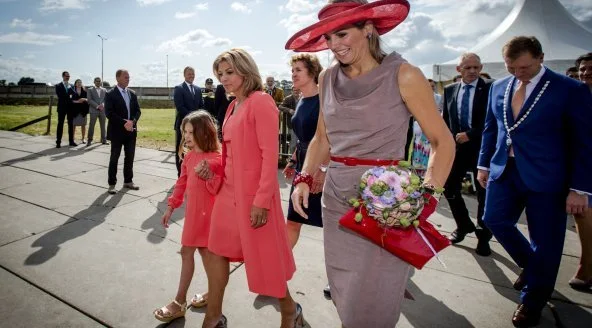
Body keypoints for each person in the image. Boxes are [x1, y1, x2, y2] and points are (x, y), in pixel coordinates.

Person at [286, 1, 455, 327]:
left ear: (368, 29)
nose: (335, 45)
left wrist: (426, 198)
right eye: (329, 38)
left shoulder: (404, 74)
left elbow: (442, 141)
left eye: (342, 34)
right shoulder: (326, 78)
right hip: (336, 199)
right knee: (345, 293)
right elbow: (322, 139)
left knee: (373, 301)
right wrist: (305, 176)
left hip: (385, 203)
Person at [477, 36, 592, 327]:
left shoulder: (570, 89)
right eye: (512, 67)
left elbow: (584, 142)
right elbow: (492, 129)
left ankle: (533, 301)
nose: (518, 73)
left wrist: (580, 188)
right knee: (494, 219)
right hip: (504, 171)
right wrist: (483, 165)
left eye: (524, 67)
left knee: (547, 241)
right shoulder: (498, 86)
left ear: (541, 57)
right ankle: (534, 267)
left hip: (549, 177)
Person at [195, 48, 301, 328]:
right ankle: (213, 316)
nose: (224, 79)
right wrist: (213, 169)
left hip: (254, 197)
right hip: (227, 193)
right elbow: (229, 154)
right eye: (220, 74)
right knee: (216, 251)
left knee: (265, 260)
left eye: (229, 72)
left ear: (246, 70)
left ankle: (290, 310)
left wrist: (262, 201)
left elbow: (270, 156)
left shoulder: (261, 101)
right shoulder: (231, 106)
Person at [153, 110, 221, 323]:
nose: (187, 136)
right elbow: (181, 183)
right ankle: (205, 295)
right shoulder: (189, 156)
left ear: (204, 132)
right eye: (185, 132)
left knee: (201, 255)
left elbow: (219, 187)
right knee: (194, 253)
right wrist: (171, 207)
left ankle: (180, 301)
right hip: (193, 214)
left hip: (209, 216)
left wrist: (210, 175)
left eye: (191, 132)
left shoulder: (217, 159)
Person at [281, 53, 330, 297]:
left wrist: (322, 170)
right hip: (302, 165)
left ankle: (339, 277)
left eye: (298, 70)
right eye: (292, 71)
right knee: (292, 220)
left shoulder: (325, 100)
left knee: (334, 229)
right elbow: (302, 137)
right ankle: (280, 270)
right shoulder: (301, 99)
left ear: (313, 72)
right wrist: (292, 160)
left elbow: (330, 138)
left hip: (322, 168)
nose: (293, 74)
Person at [442, 53, 493, 256]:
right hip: (457, 150)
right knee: (449, 187)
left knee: (483, 193)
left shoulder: (491, 87)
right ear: (458, 70)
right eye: (468, 68)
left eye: (476, 67)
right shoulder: (450, 90)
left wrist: (471, 135)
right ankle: (463, 225)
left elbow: (494, 119)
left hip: (482, 149)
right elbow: (447, 120)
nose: (473, 71)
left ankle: (483, 236)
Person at [569, 52, 592, 291]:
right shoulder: (575, 96)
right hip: (583, 166)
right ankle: (586, 267)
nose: (586, 73)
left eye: (590, 69)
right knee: (583, 215)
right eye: (583, 69)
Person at [105, 69, 141, 195]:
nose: (128, 78)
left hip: (131, 131)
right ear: (118, 78)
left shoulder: (132, 93)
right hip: (117, 132)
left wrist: (133, 122)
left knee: (130, 157)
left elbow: (138, 111)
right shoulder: (110, 94)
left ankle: (128, 181)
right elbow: (109, 113)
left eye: (128, 77)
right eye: (125, 77)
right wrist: (124, 123)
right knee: (114, 158)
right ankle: (112, 184)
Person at [173, 67, 204, 177]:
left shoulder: (198, 89)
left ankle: (190, 174)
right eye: (189, 74)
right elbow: (180, 107)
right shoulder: (179, 88)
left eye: (193, 74)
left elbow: (201, 106)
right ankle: (180, 175)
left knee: (193, 150)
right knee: (181, 149)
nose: (191, 75)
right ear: (184, 75)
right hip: (183, 126)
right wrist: (193, 119)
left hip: (196, 127)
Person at [55, 71, 76, 147]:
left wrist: (70, 90)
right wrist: (69, 95)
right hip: (61, 108)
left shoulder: (71, 86)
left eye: (69, 76)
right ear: (63, 76)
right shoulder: (58, 86)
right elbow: (60, 96)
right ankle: (58, 142)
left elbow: (74, 95)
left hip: (70, 108)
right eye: (66, 76)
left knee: (71, 124)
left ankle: (71, 141)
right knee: (60, 124)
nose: (68, 77)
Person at [87, 77, 108, 145]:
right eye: (97, 81)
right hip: (93, 110)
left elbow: (106, 99)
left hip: (102, 111)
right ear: (94, 82)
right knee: (91, 125)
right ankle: (89, 140)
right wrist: (97, 106)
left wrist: (103, 105)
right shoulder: (90, 89)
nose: (98, 82)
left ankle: (104, 140)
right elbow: (89, 100)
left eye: (99, 81)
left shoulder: (104, 90)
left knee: (103, 126)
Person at [279, 88, 301, 154]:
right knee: (293, 144)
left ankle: (300, 161)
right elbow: (280, 106)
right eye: (294, 90)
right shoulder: (288, 98)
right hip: (292, 125)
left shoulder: (304, 97)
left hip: (303, 125)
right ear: (292, 91)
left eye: (298, 90)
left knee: (302, 144)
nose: (296, 91)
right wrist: (289, 110)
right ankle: (291, 160)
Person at [69, 79, 88, 144]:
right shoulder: (72, 91)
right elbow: (69, 100)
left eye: (80, 82)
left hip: (83, 111)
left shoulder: (85, 91)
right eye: (78, 82)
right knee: (73, 125)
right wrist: (77, 101)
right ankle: (72, 139)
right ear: (75, 84)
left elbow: (88, 99)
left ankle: (83, 139)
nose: (79, 83)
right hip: (74, 111)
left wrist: (84, 99)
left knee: (83, 125)